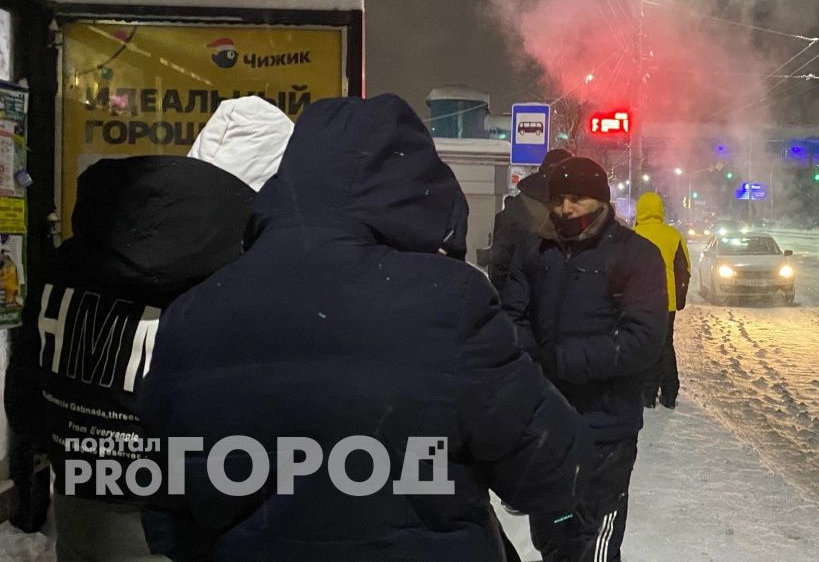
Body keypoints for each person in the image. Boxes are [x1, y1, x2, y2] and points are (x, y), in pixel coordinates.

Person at [137, 95, 591, 562]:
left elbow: (167, 511)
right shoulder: (448, 304)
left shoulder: (193, 313)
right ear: (419, 191)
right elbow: (551, 468)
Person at [4, 95, 293, 562]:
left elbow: (25, 386)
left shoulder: (73, 257)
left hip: (80, 495)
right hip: (184, 513)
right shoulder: (241, 278)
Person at [503, 157, 668, 562]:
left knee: (594, 545)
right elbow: (512, 316)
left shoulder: (636, 256)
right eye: (559, 199)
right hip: (546, 424)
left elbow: (643, 340)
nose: (565, 209)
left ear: (601, 202)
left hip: (605, 430)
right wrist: (530, 362)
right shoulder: (534, 251)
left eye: (577, 199)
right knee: (554, 540)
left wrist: (558, 360)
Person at [633, 192, 691, 409]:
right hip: (666, 303)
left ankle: (647, 394)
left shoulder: (632, 234)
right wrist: (679, 299)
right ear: (660, 211)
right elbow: (683, 271)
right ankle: (669, 392)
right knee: (666, 344)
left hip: (638, 302)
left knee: (642, 345)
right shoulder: (673, 235)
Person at [487, 147, 572, 293]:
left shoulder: (518, 206)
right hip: (549, 301)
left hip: (523, 300)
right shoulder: (573, 208)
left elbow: (499, 266)